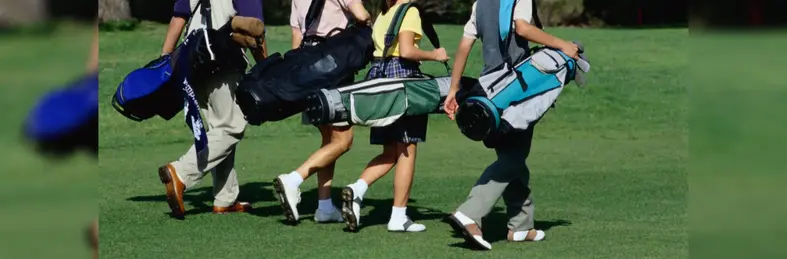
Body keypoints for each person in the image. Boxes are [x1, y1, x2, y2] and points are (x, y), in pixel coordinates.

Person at [442, 0, 579, 250]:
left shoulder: (480, 4)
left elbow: (464, 46)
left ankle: (520, 226)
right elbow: (523, 29)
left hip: (488, 91)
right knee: (512, 159)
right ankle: (470, 212)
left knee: (512, 154)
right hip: (516, 89)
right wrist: (562, 45)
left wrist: (453, 89)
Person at [340, 0, 450, 233]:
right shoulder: (409, 11)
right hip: (403, 79)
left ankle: (357, 188)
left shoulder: (383, 13)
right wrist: (434, 55)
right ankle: (398, 217)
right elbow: (408, 51)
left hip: (379, 79)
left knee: (390, 150)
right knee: (407, 148)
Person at [157, 0, 265, 218]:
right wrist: (265, 67)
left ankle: (225, 198)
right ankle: (180, 172)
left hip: (193, 62)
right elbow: (255, 29)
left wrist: (164, 61)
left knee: (219, 128)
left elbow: (178, 18)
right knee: (231, 128)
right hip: (224, 61)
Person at [273, 0, 371, 224]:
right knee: (343, 141)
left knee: (329, 139)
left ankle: (325, 206)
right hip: (334, 65)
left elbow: (296, 39)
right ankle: (294, 179)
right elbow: (361, 15)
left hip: (307, 69)